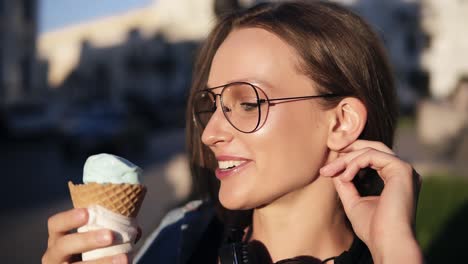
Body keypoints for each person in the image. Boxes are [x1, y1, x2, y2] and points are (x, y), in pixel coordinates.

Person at [42, 1, 423, 263]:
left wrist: (393, 251)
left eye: (249, 103)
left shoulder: (393, 253)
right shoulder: (178, 237)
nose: (210, 134)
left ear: (340, 122)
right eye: (211, 105)